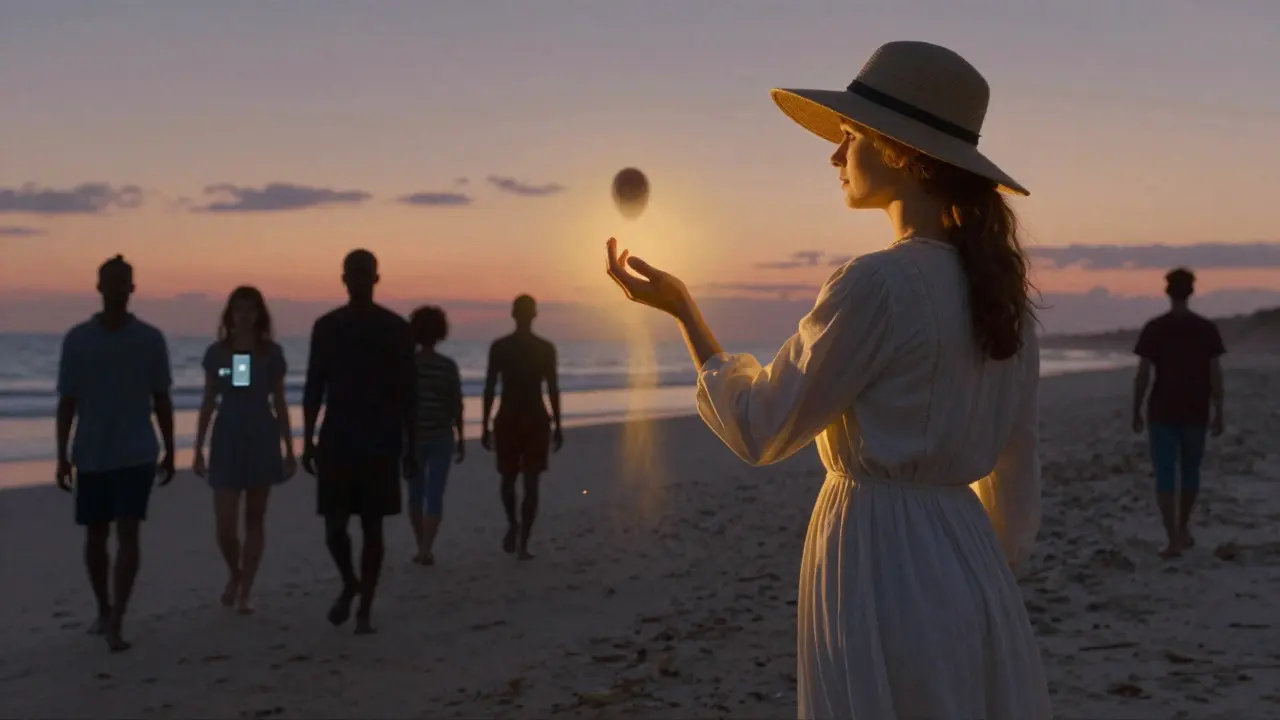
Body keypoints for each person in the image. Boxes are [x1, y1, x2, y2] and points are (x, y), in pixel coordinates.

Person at [606, 41, 1050, 719]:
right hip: (971, 560)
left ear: (901, 151)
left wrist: (683, 312)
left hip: (879, 558)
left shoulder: (877, 284)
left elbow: (761, 426)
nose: (835, 157)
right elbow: (1017, 492)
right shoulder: (1002, 298)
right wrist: (980, 571)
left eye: (848, 137)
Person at [55, 254, 176, 652]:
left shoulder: (150, 339)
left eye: (123, 281)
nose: (117, 287)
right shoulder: (78, 339)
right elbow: (67, 401)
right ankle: (103, 607)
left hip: (137, 451)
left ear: (132, 288)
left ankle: (118, 617)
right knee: (95, 534)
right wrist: (61, 455)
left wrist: (172, 449)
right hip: (91, 451)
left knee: (128, 531)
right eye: (110, 280)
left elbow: (162, 398)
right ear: (99, 286)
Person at [301, 249, 416, 635]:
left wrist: (411, 446)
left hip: (381, 439)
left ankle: (365, 605)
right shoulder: (327, 327)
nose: (360, 279)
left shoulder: (397, 329)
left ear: (376, 278)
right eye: (354, 273)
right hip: (336, 437)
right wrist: (308, 439)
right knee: (334, 528)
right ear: (344, 278)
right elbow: (313, 386)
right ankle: (351, 583)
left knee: (372, 527)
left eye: (366, 273)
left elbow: (408, 393)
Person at [192, 286, 298, 614]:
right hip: (227, 437)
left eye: (250, 309)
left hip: (261, 436)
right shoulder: (217, 353)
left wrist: (289, 449)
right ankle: (235, 574)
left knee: (254, 517)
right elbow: (209, 400)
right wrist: (197, 447)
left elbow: (279, 401)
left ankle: (246, 589)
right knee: (225, 523)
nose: (244, 315)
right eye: (239, 309)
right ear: (230, 314)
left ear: (259, 314)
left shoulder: (271, 353)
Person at [1131, 267, 1225, 558]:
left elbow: (1143, 374)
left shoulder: (1156, 327)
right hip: (1196, 409)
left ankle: (1172, 538)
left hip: (1162, 409)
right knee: (1190, 472)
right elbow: (1215, 374)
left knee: (1165, 474)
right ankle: (1182, 527)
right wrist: (1219, 409)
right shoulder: (1205, 328)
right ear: (1192, 291)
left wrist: (1135, 409)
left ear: (1167, 292)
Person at [481, 294, 563, 560]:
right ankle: (522, 538)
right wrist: (558, 423)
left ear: (514, 314)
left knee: (510, 479)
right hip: (534, 418)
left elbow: (490, 387)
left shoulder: (501, 347)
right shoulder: (543, 348)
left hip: (510, 417)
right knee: (529, 482)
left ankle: (517, 529)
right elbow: (552, 388)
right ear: (534, 314)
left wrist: (484, 424)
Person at [405, 305, 465, 565]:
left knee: (415, 494)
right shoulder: (447, 366)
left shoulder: (406, 366)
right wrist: (461, 436)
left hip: (411, 438)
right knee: (434, 493)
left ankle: (423, 546)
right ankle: (425, 547)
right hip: (440, 436)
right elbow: (456, 404)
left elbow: (398, 403)